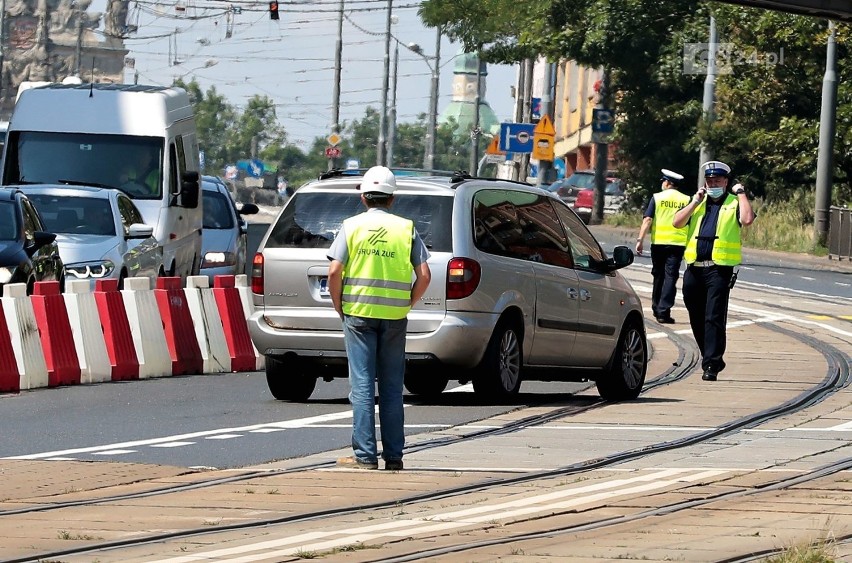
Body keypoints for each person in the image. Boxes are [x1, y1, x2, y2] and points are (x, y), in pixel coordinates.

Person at [327, 166, 431, 471]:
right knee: (390, 387)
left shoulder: (351, 227)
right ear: (392, 198)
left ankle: (365, 455)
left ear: (363, 197)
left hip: (358, 314)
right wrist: (407, 302)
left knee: (361, 385)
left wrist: (339, 305)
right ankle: (394, 456)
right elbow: (424, 274)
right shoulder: (406, 228)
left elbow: (334, 271)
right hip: (395, 317)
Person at [673, 160, 755, 382]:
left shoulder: (733, 202)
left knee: (713, 317)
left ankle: (712, 363)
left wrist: (742, 194)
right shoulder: (698, 203)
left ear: (726, 182)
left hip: (719, 269)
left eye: (717, 181)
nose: (713, 184)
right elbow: (677, 223)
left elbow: (747, 219)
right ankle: (709, 353)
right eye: (709, 181)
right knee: (695, 314)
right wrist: (694, 202)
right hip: (694, 268)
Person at [636, 169, 691, 324]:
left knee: (658, 275)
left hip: (659, 243)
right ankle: (663, 311)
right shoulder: (686, 199)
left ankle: (655, 306)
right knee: (670, 277)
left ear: (667, 183)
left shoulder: (657, 198)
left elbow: (647, 220)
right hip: (678, 244)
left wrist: (640, 240)